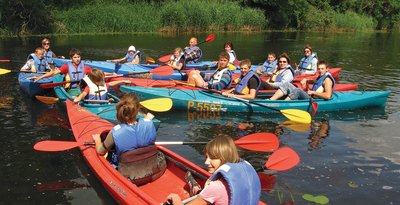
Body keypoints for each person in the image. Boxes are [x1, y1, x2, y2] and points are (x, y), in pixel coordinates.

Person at [166, 135, 261, 205]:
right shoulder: (242, 178)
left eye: (212, 158)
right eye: (206, 157)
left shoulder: (216, 188)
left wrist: (175, 198)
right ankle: (198, 191)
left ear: (224, 157)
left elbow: (216, 190)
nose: (206, 162)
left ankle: (197, 191)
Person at [92, 93, 157, 168]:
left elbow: (100, 152)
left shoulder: (115, 132)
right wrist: (146, 118)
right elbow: (144, 122)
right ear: (138, 109)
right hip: (150, 167)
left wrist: (97, 140)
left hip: (127, 171)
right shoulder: (149, 123)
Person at [270, 60, 335, 100]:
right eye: (319, 69)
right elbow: (315, 82)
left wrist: (313, 92)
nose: (320, 71)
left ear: (327, 69)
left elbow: (328, 96)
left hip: (313, 99)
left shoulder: (327, 80)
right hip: (310, 96)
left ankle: (283, 105)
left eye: (322, 69)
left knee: (297, 90)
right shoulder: (321, 76)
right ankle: (271, 100)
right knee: (287, 84)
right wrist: (306, 80)